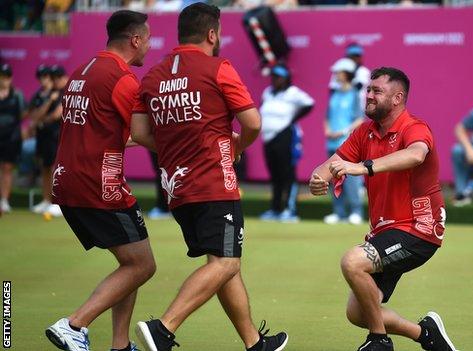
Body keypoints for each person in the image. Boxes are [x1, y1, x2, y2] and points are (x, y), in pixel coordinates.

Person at [130, 4, 288, 351]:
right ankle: (163, 329)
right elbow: (253, 123)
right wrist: (236, 148)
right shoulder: (219, 68)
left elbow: (139, 132)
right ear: (212, 34)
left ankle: (254, 344)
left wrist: (180, 145)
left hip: (178, 189)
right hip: (215, 183)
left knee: (222, 263)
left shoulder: (153, 75)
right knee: (227, 261)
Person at [309, 67, 458, 351]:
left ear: (397, 98)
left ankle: (379, 340)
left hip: (419, 228)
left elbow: (416, 154)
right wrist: (318, 180)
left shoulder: (414, 126)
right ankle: (426, 334)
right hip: (386, 232)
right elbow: (326, 167)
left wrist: (362, 167)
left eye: (377, 91)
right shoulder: (364, 132)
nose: (369, 96)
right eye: (368, 90)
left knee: (352, 262)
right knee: (358, 313)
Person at [44, 10, 156, 351]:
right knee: (143, 264)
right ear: (135, 40)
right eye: (148, 40)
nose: (149, 47)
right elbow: (148, 132)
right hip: (99, 185)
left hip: (67, 180)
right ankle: (74, 324)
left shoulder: (81, 72)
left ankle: (120, 345)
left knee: (130, 263)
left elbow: (109, 133)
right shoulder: (122, 79)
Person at [258, 64, 314, 223]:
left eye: (279, 77)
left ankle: (290, 210)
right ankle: (275, 209)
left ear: (286, 78)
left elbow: (309, 103)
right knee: (275, 175)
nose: (275, 80)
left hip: (285, 136)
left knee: (287, 173)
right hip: (268, 138)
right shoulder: (268, 92)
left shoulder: (293, 93)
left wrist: (292, 119)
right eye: (274, 76)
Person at [323, 57, 364, 225]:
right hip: (332, 143)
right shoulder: (334, 93)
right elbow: (327, 117)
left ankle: (356, 212)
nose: (335, 75)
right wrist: (327, 130)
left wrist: (342, 131)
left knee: (352, 179)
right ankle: (338, 212)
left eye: (338, 72)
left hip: (348, 143)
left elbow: (359, 119)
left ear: (347, 74)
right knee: (334, 178)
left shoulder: (355, 94)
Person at [30, 64, 67, 216]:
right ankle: (46, 200)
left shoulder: (66, 91)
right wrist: (47, 106)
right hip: (44, 135)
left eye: (57, 77)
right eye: (53, 78)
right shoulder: (48, 93)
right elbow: (34, 116)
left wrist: (42, 120)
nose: (55, 80)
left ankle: (57, 202)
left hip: (58, 135)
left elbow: (57, 115)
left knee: (55, 168)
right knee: (45, 167)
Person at [0, 63, 25, 213]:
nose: (4, 80)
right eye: (2, 77)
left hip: (11, 137)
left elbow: (23, 114)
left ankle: (4, 201)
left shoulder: (17, 94)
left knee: (7, 168)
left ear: (11, 78)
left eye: (7, 77)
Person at [329, 43, 371, 112]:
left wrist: (345, 84)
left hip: (357, 109)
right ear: (347, 57)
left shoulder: (364, 71)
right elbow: (332, 90)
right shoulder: (338, 71)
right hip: (339, 109)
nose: (355, 59)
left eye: (357, 56)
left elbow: (358, 86)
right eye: (352, 56)